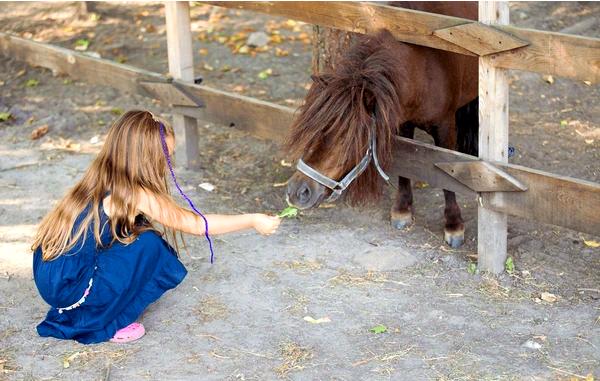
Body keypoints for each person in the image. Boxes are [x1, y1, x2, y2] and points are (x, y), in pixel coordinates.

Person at [31, 110, 280, 344]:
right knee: (147, 244)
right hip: (70, 287)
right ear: (145, 159)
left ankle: (87, 301)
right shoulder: (135, 193)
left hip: (55, 276)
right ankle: (103, 320)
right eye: (165, 158)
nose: (167, 165)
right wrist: (252, 219)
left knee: (133, 231)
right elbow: (194, 224)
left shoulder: (101, 174)